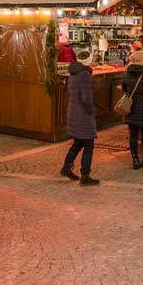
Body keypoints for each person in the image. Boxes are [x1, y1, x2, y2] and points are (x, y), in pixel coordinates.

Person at [59, 49, 100, 186]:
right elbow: (86, 98)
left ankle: (66, 168)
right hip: (83, 115)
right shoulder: (85, 74)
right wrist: (92, 110)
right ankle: (85, 176)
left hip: (73, 112)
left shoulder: (74, 73)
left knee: (78, 143)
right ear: (88, 60)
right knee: (89, 145)